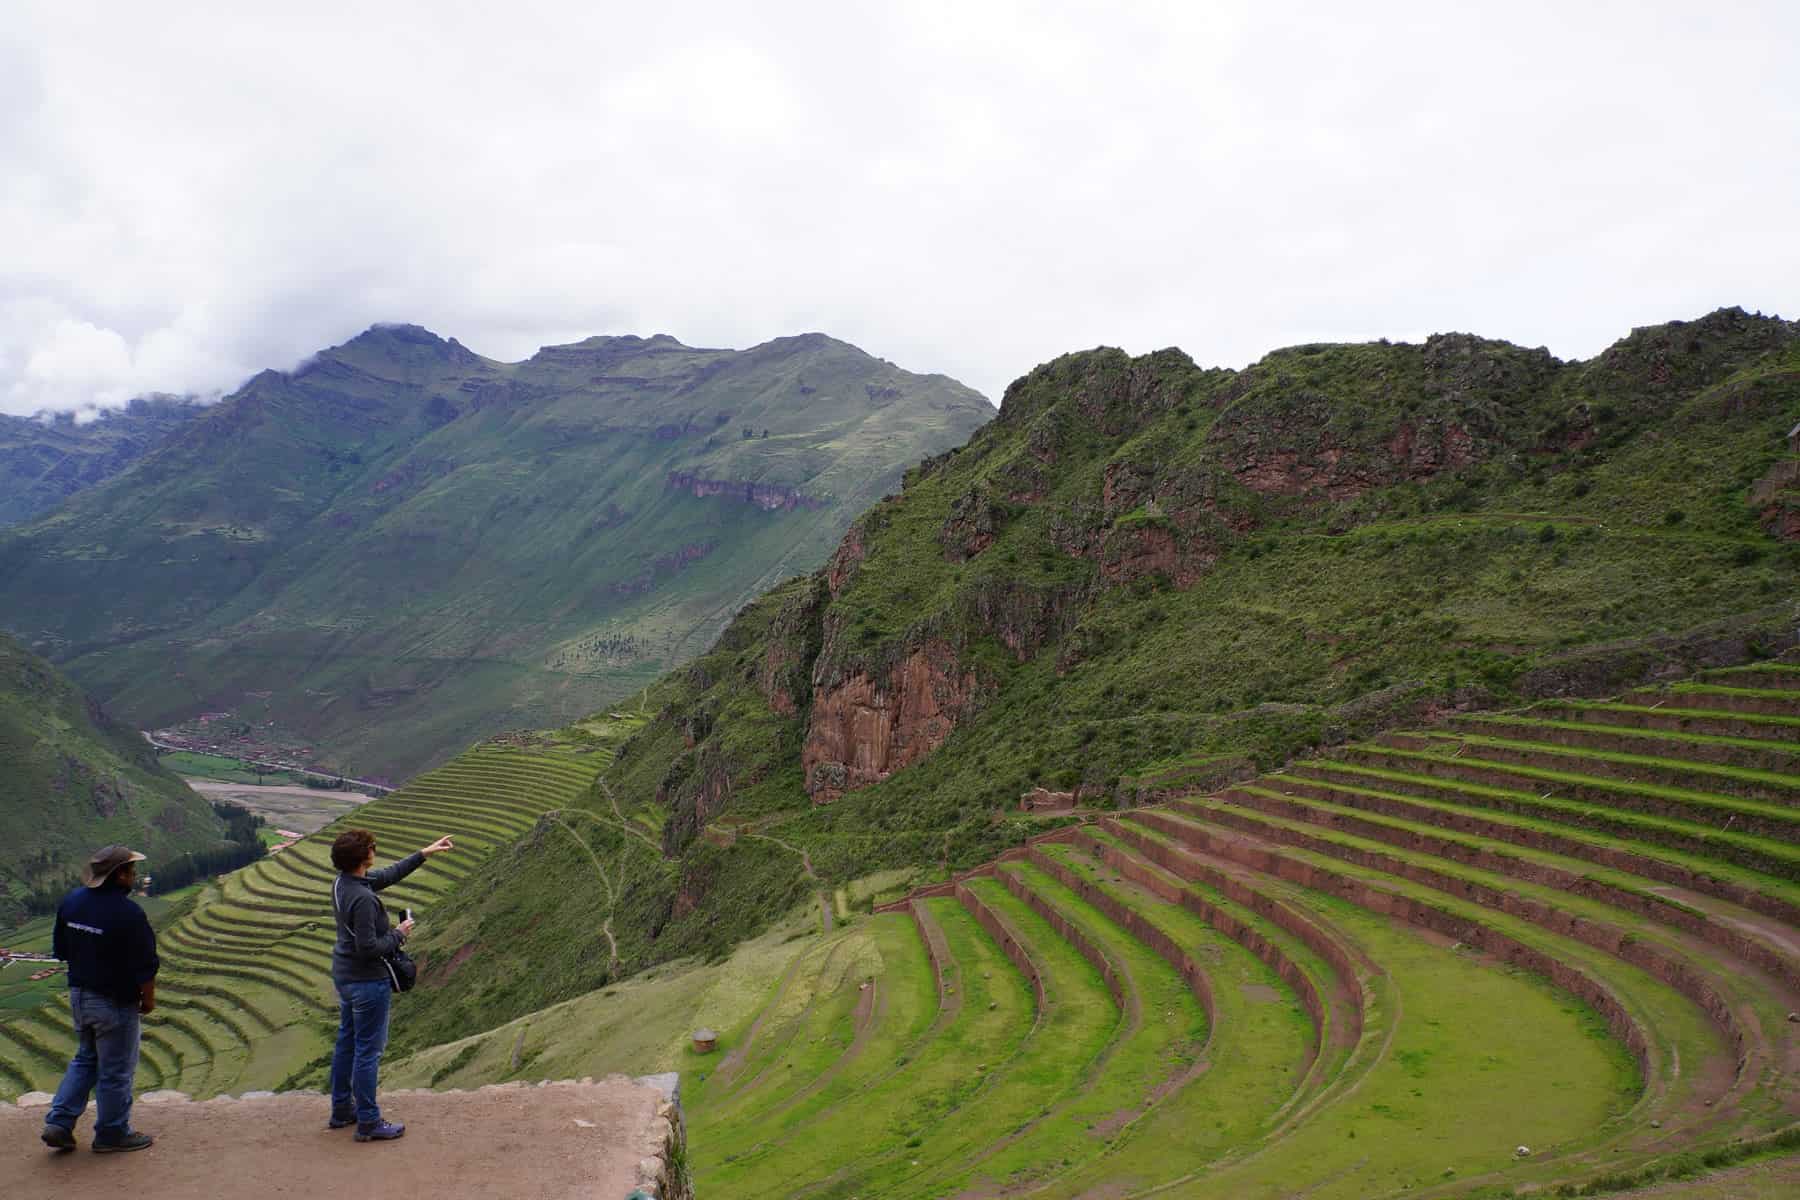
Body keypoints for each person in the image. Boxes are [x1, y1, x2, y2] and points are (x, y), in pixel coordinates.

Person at [327, 829, 454, 1141]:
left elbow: (388, 875)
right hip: (367, 982)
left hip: (345, 976)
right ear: (362, 857)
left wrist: (425, 852)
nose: (375, 850)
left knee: (347, 1045)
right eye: (372, 847)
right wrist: (399, 933)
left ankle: (342, 1109)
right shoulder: (364, 899)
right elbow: (368, 948)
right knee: (368, 1052)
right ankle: (369, 1121)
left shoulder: (344, 883)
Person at [40, 845, 160, 1154]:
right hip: (115, 1003)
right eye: (131, 871)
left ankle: (59, 1123)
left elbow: (62, 950)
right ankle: (111, 1133)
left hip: (80, 996)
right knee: (116, 1070)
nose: (135, 876)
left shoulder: (72, 902)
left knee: (85, 1058)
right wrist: (148, 1000)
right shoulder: (129, 914)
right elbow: (145, 965)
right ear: (119, 875)